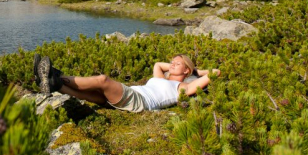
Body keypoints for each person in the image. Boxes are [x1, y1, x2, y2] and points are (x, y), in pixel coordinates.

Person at [35, 54, 221, 112]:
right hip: (127, 97)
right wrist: (178, 66)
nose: (171, 64)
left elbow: (215, 73)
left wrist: (196, 71)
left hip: (140, 102)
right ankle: (54, 84)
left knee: (102, 80)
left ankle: (54, 75)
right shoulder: (160, 76)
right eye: (172, 61)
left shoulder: (182, 87)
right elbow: (158, 64)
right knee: (94, 93)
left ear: (186, 70)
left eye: (177, 63)